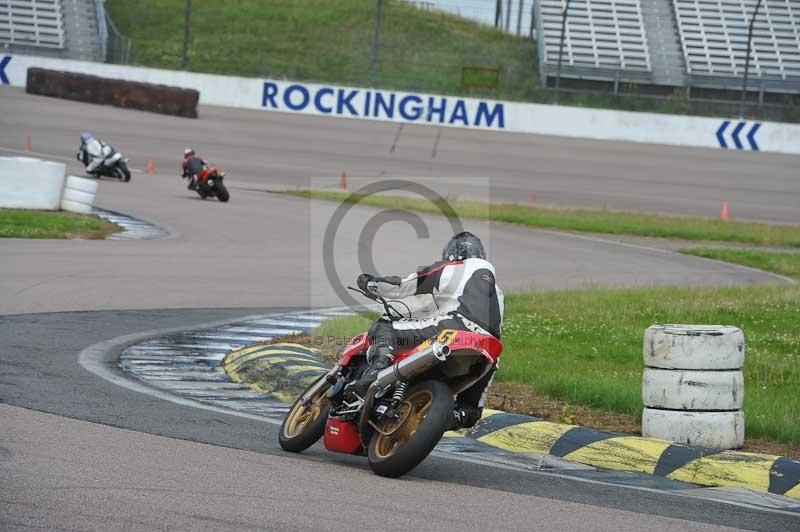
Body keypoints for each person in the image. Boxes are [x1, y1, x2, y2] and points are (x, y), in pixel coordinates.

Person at [354, 231, 504, 430]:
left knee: (385, 327)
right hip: (488, 351)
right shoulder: (497, 291)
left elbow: (403, 286)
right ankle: (447, 418)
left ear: (451, 254)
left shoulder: (454, 268)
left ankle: (375, 371)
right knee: (471, 410)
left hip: (455, 329)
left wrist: (370, 283)